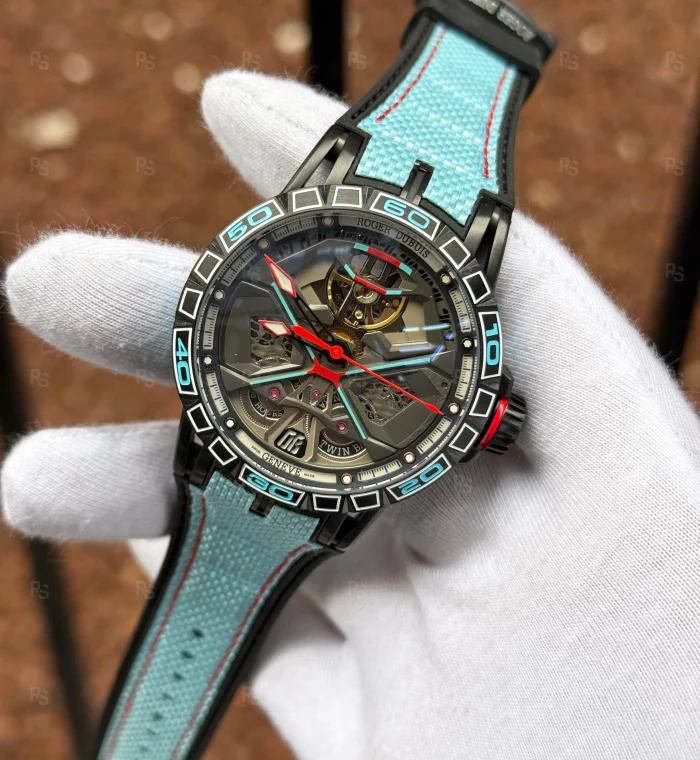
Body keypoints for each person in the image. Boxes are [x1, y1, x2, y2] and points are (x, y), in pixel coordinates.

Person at [3, 69, 700, 760]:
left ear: (484, 421)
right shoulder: (431, 248)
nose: (336, 355)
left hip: (296, 466)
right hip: (258, 451)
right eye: (329, 346)